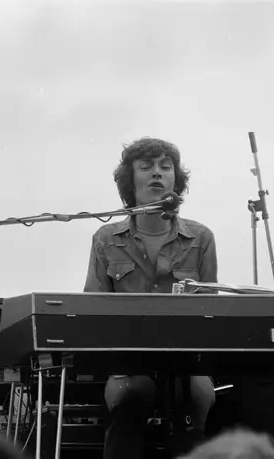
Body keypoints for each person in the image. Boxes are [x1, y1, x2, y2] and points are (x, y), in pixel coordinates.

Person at [83, 137, 217, 459]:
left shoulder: (201, 238)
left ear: (175, 180)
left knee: (193, 400)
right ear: (132, 181)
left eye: (165, 167)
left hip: (187, 365)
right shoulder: (105, 239)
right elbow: (92, 309)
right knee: (128, 403)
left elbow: (213, 312)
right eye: (147, 167)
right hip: (127, 367)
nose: (157, 173)